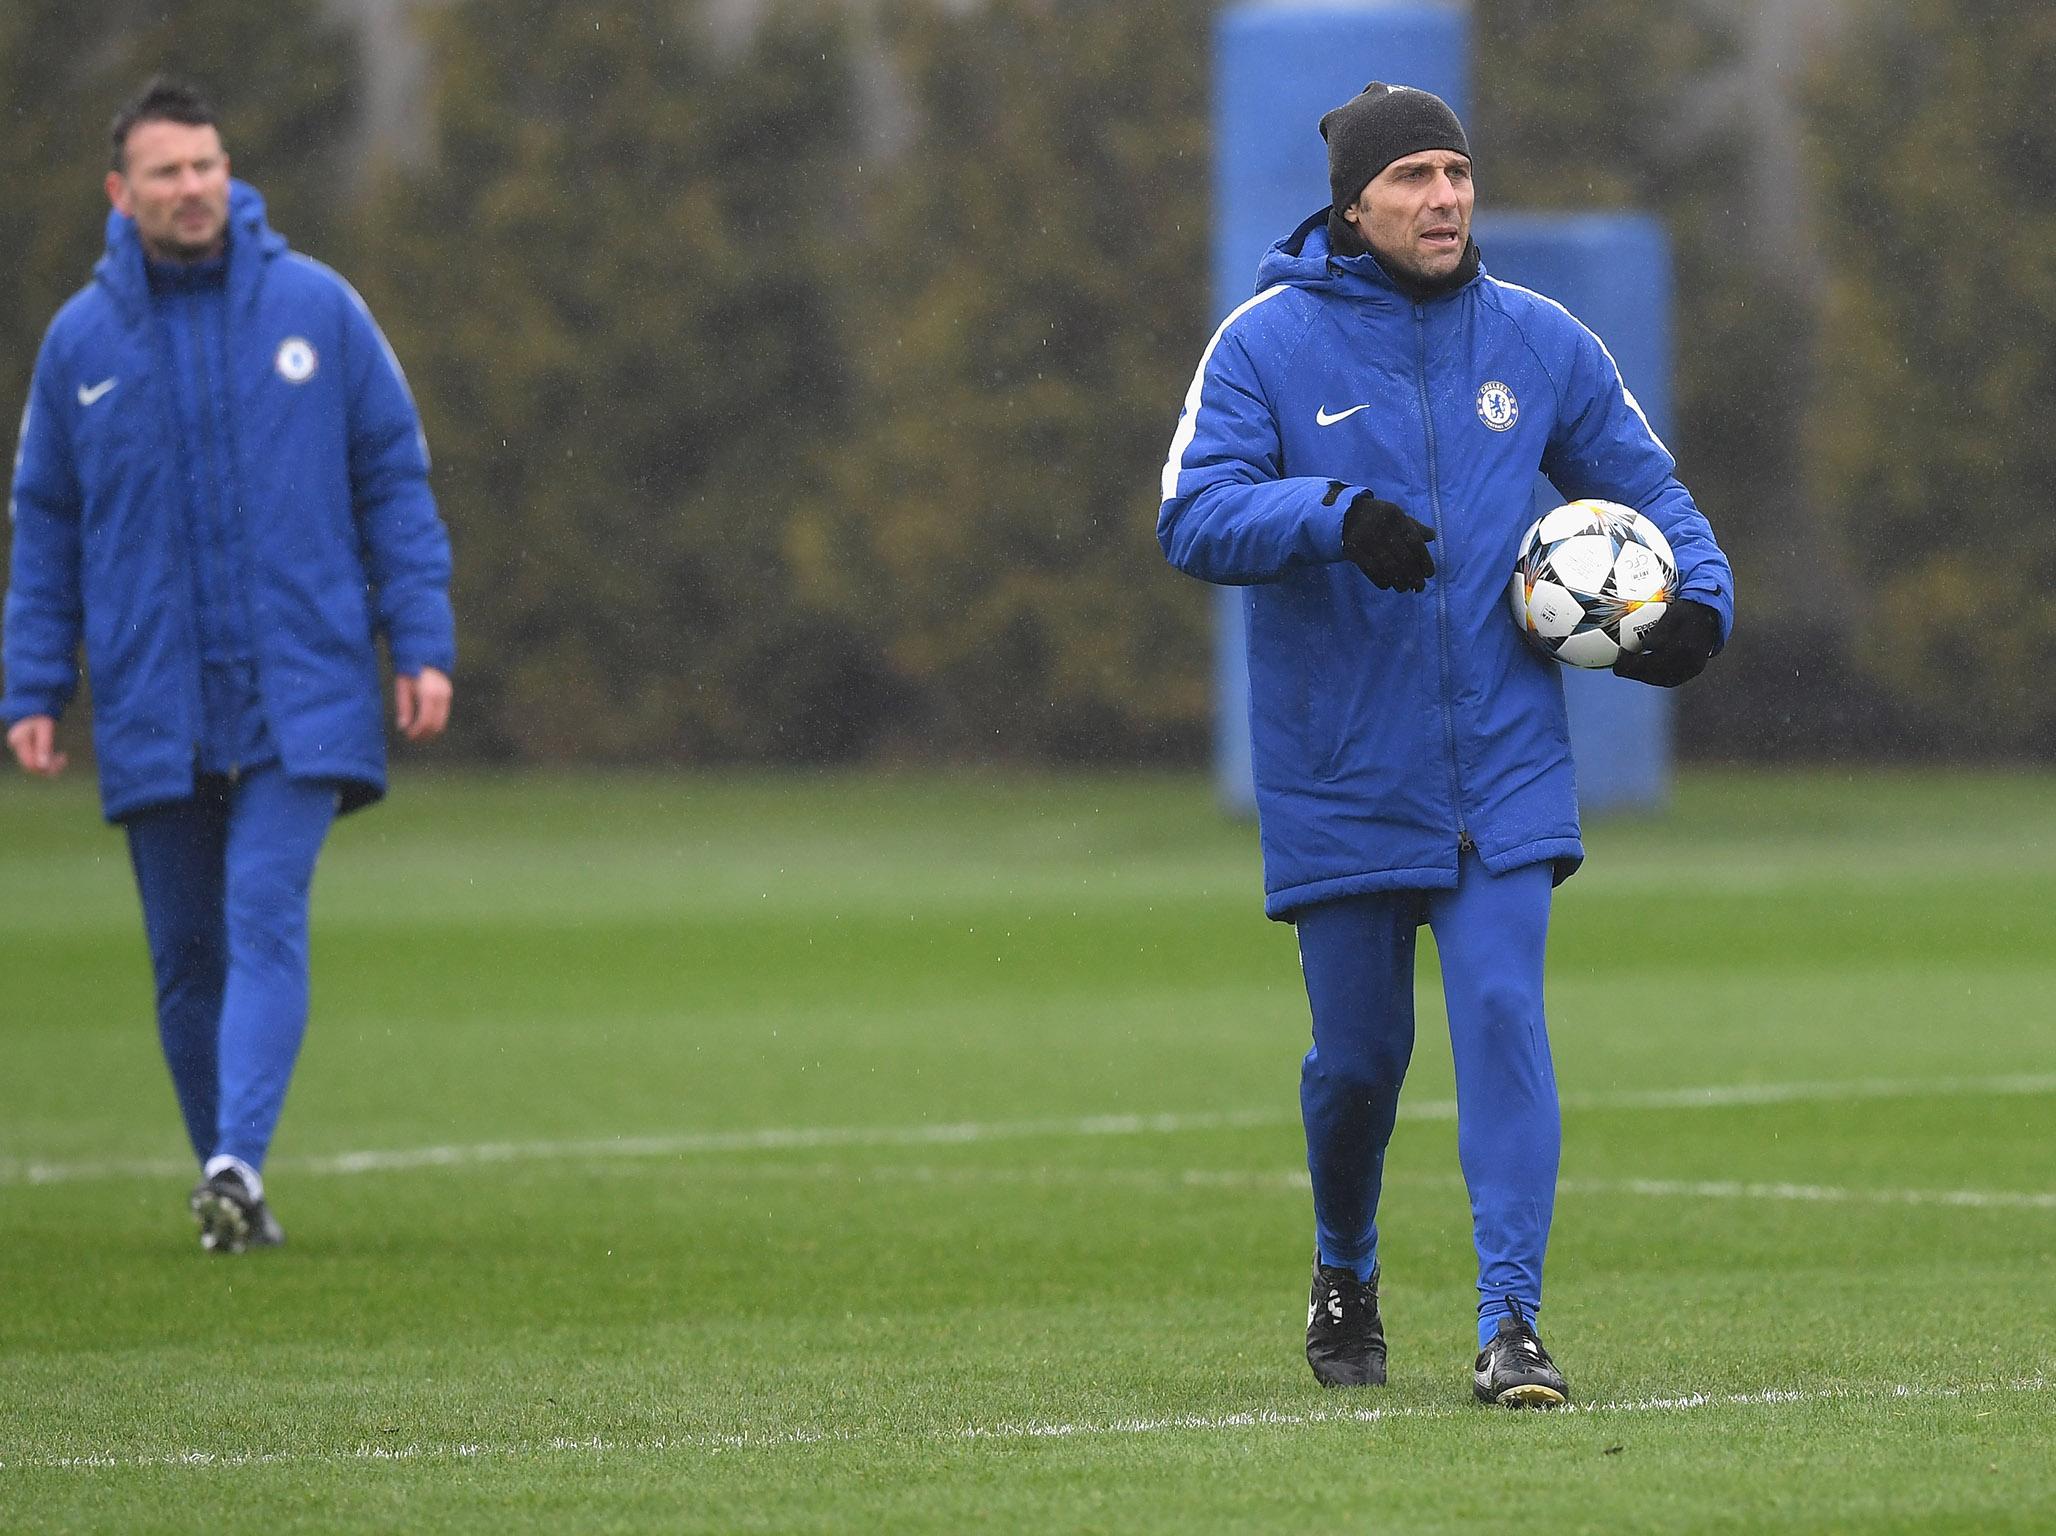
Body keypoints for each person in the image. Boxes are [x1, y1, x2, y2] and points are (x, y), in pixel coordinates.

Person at [1157, 83, 1733, 1407]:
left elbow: (1652, 493)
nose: (1445, 197)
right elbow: (1193, 517)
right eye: (1412, 176)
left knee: (1499, 1014)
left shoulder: (1538, 342)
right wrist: (1330, 515)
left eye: (1457, 172)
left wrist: (1699, 606)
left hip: (1503, 766)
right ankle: (1345, 1267)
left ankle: (1513, 1326)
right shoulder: (1261, 348)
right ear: (1353, 203)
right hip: (1342, 773)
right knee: (1357, 1064)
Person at [2, 78, 455, 1253]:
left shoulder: (319, 310)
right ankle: (232, 1195)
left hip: (302, 691)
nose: (193, 187)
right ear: (122, 192)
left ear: (230, 171)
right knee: (184, 958)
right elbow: (45, 528)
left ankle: (235, 1157)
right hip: (156, 696)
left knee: (262, 912)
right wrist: (34, 685)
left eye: (208, 164)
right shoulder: (80, 344)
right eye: (167, 171)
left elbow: (391, 481)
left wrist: (422, 640)